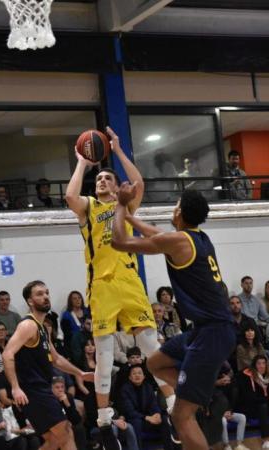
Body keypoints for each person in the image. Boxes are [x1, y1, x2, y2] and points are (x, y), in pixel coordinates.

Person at [65, 127, 176, 448]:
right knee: (103, 355)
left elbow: (139, 183)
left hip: (129, 283)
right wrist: (83, 163)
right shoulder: (89, 207)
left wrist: (118, 150)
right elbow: (71, 197)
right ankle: (102, 420)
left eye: (107, 179)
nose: (102, 182)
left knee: (151, 347)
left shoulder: (125, 207)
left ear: (116, 187)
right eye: (99, 180)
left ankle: (172, 408)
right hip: (101, 286)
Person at [111, 186, 236, 450]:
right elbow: (158, 235)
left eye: (176, 203)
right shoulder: (199, 238)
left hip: (212, 334)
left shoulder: (179, 241)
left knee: (180, 415)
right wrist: (132, 218)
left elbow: (119, 242)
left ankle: (194, 396)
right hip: (205, 331)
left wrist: (121, 206)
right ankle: (196, 392)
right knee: (155, 363)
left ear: (179, 211)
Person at [1, 280, 94, 450]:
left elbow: (57, 359)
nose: (45, 297)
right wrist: (15, 387)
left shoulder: (42, 328)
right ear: (30, 301)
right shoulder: (28, 325)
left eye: (46, 293)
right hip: (32, 391)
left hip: (40, 389)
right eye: (39, 294)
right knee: (65, 432)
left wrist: (79, 373)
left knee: (54, 440)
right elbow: (7, 354)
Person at [118, 365, 173, 450]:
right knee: (136, 422)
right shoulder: (125, 389)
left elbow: (153, 404)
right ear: (129, 377)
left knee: (164, 419)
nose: (137, 375)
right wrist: (147, 418)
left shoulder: (148, 386)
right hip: (134, 418)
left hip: (148, 418)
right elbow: (129, 411)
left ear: (144, 376)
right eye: (134, 373)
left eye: (140, 373)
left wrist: (157, 414)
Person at [60, 290, 90, 355]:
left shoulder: (88, 311)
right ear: (70, 301)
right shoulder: (66, 315)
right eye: (74, 298)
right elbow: (67, 336)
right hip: (74, 345)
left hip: (90, 342)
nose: (78, 300)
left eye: (79, 298)